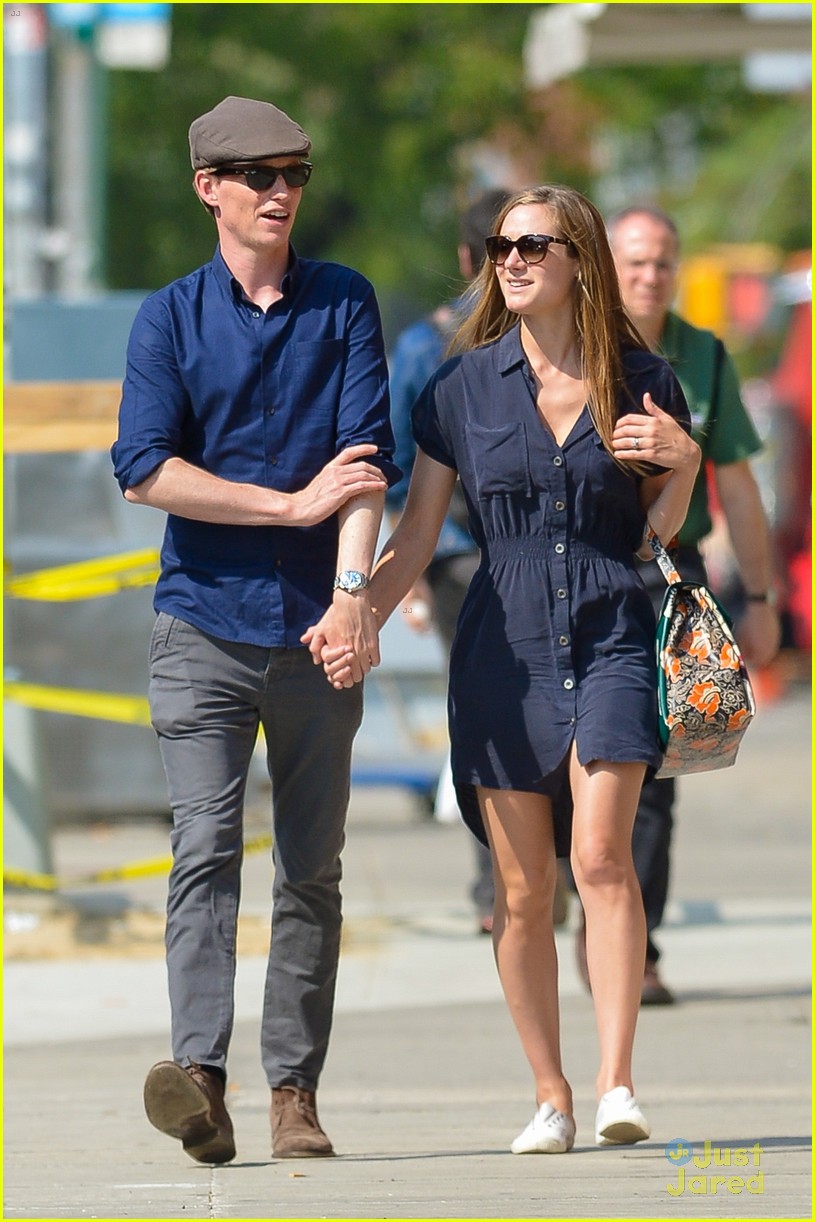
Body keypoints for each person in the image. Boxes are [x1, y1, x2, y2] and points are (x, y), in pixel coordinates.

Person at [307, 185, 701, 1153]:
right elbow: (418, 531)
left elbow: (656, 531)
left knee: (602, 856)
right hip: (501, 646)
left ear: (578, 258)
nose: (511, 260)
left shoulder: (642, 379)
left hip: (612, 629)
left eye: (532, 244)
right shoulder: (456, 388)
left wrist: (683, 462)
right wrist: (353, 600)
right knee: (521, 892)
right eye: (499, 246)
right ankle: (548, 1093)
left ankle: (615, 1084)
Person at [111, 95, 399, 1164]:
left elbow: (364, 465)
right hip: (203, 628)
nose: (280, 191)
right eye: (257, 175)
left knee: (311, 870)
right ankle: (199, 1079)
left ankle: (293, 1092)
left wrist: (350, 594)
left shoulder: (342, 305)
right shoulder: (169, 319)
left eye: (293, 174)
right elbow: (145, 471)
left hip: (318, 630)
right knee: (205, 851)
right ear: (209, 189)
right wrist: (283, 505)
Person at [572, 204, 781, 1006]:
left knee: (658, 762)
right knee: (562, 767)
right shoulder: (572, 342)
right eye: (633, 261)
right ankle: (564, 894)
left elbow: (737, 488)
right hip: (578, 562)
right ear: (605, 266)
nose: (648, 276)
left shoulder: (702, 355)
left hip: (668, 569)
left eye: (662, 261)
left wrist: (759, 598)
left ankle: (636, 944)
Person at [387, 189, 510, 934]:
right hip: (546, 554)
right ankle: (552, 863)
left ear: (465, 258)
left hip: (456, 556)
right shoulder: (559, 332)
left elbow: (395, 461)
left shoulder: (420, 344)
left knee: (478, 708)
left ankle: (495, 883)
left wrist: (408, 565)